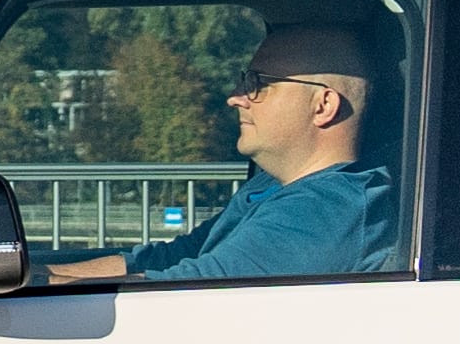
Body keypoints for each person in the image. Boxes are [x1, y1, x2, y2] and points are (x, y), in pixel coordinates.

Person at [68, 17, 398, 286]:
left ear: (323, 105)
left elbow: (183, 289)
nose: (236, 96)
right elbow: (170, 258)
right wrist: (41, 277)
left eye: (260, 83)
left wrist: (43, 287)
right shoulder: (270, 186)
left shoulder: (328, 210)